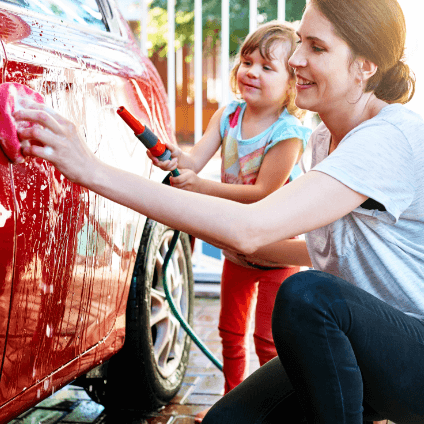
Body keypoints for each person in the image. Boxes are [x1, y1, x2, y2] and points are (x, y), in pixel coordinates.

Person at [13, 0, 424, 422]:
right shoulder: (325, 141)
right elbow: (334, 247)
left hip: (413, 357)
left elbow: (249, 227)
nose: (297, 59)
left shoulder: (387, 138)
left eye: (317, 48)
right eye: (301, 41)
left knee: (307, 297)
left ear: (365, 66)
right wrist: (247, 247)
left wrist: (90, 170)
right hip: (362, 348)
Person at [147, 21, 311, 422]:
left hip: (277, 252)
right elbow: (193, 161)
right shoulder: (228, 116)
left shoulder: (289, 133)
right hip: (236, 250)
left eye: (266, 68)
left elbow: (263, 195)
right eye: (247, 61)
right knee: (231, 333)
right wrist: (172, 158)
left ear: (292, 83)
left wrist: (200, 187)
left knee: (270, 341)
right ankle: (232, 404)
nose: (251, 71)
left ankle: (277, 413)